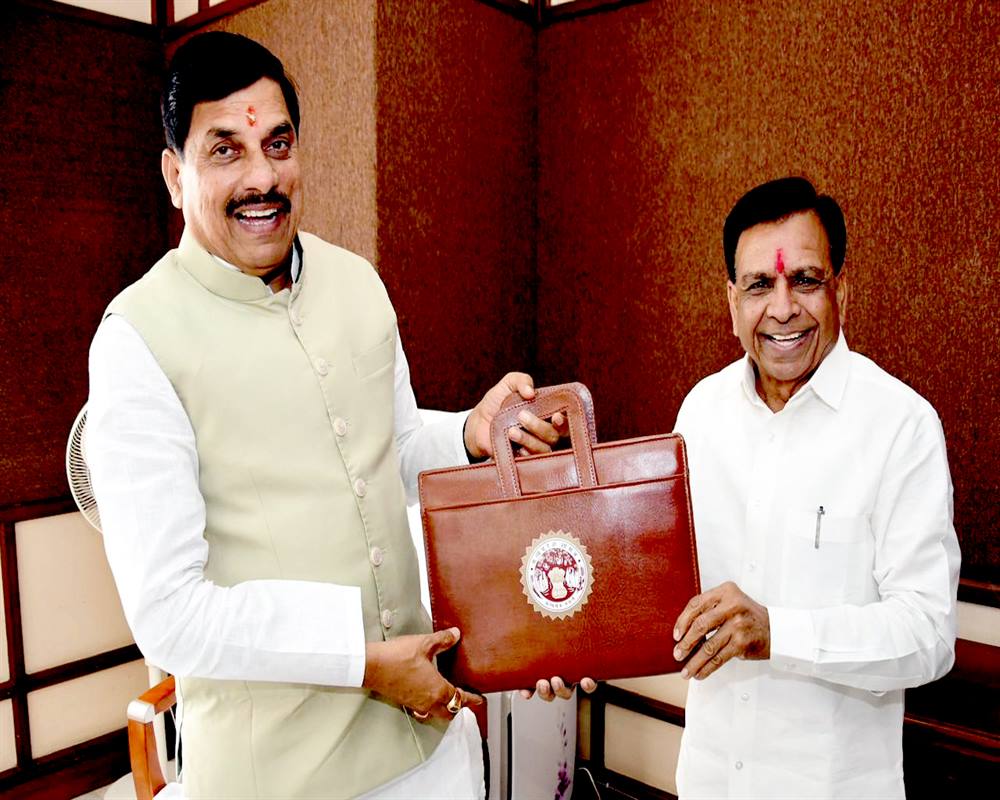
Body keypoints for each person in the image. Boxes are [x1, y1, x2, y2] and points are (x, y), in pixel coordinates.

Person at [87, 31, 576, 799]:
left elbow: (396, 449)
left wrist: (470, 433)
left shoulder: (357, 283)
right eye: (226, 150)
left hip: (430, 743)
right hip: (276, 778)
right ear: (175, 176)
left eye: (277, 144)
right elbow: (169, 614)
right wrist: (360, 661)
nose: (262, 176)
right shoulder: (137, 340)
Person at [670, 177, 960, 798]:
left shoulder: (901, 427)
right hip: (709, 782)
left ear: (840, 291)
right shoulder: (700, 414)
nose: (782, 308)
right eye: (759, 285)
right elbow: (662, 587)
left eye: (804, 280)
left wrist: (778, 632)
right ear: (731, 301)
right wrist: (575, 650)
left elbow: (928, 635)